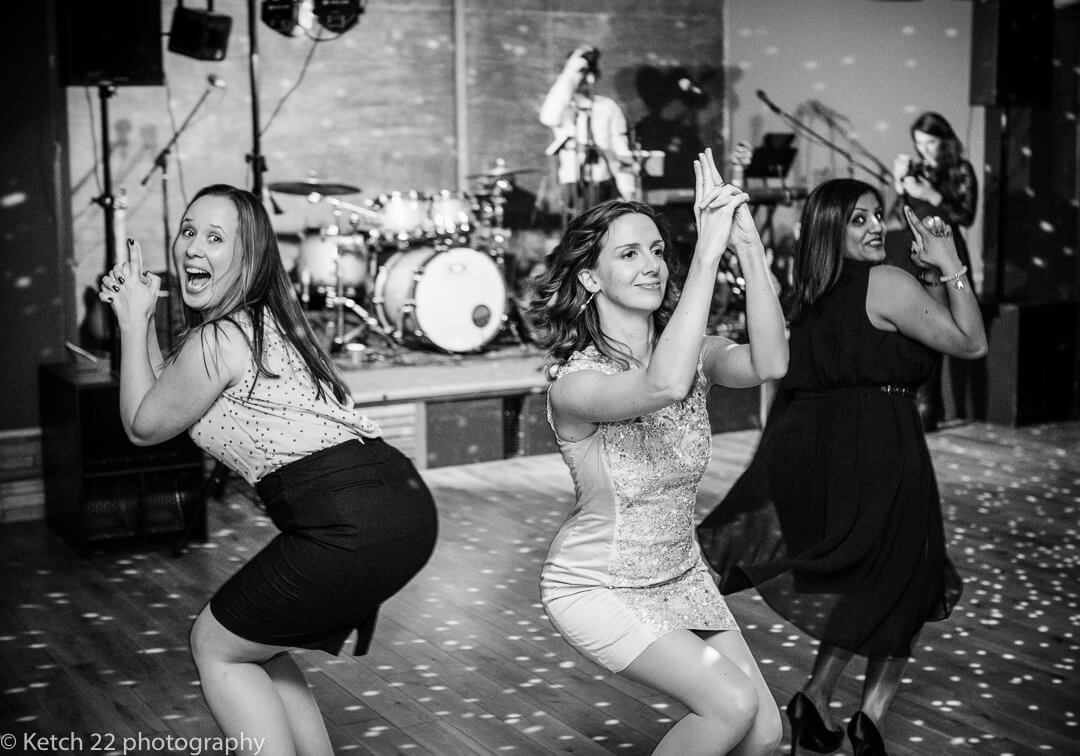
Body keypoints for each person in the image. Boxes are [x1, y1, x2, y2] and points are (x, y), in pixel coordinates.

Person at [97, 184, 438, 756]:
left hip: (349, 518)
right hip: (397, 502)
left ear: (250, 259)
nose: (192, 248)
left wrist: (133, 325)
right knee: (255, 643)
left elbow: (142, 427)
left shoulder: (219, 338)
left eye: (214, 237)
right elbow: (166, 402)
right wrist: (145, 314)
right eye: (187, 232)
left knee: (214, 644)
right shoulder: (258, 325)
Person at [697, 179, 987, 756]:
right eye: (859, 220)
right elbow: (971, 342)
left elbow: (778, 382)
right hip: (881, 445)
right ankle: (872, 719)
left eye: (878, 216)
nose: (877, 227)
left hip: (818, 450)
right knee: (907, 576)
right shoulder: (884, 283)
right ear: (832, 229)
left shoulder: (803, 296)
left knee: (871, 581)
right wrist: (952, 264)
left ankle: (816, 697)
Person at [527, 149, 789, 756]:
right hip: (597, 586)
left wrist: (744, 246)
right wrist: (704, 251)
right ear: (590, 278)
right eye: (629, 253)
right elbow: (660, 386)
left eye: (657, 251)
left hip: (679, 572)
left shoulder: (693, 356)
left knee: (765, 732)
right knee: (730, 703)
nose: (652, 266)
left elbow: (772, 362)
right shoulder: (577, 384)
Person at [892, 111, 981, 425]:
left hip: (948, 252)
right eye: (919, 143)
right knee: (920, 328)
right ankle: (924, 404)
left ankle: (935, 406)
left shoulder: (960, 169)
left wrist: (932, 195)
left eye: (930, 142)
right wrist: (899, 184)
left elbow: (965, 215)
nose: (925, 149)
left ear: (945, 140)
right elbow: (900, 216)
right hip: (918, 254)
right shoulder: (918, 169)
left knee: (948, 326)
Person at [539, 45, 636, 221]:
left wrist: (629, 192)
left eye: (587, 72)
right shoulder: (563, 106)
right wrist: (571, 71)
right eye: (581, 73)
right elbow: (548, 117)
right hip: (572, 184)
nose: (586, 79)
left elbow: (621, 150)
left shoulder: (607, 107)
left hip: (602, 184)